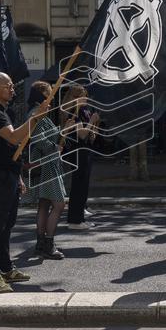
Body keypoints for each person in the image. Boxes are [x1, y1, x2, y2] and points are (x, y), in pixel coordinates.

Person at [0, 71, 33, 294]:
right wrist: (35, 119)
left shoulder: (3, 111)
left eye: (12, 86)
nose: (12, 89)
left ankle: (7, 268)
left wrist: (18, 176)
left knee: (8, 224)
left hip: (10, 174)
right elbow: (13, 137)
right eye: (8, 86)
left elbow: (10, 148)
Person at [28, 81, 68, 259]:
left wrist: (64, 130)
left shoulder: (41, 113)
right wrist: (55, 147)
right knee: (59, 204)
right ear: (42, 93)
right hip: (47, 165)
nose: (51, 95)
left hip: (46, 163)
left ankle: (40, 243)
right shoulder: (36, 113)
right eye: (49, 92)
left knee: (44, 204)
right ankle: (48, 244)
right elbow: (39, 139)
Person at [62, 85, 99, 230]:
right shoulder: (73, 112)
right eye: (82, 96)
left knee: (83, 185)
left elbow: (88, 134)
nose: (86, 98)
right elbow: (81, 134)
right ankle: (75, 220)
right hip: (77, 151)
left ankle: (80, 218)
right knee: (79, 185)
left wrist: (93, 126)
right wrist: (91, 122)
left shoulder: (83, 111)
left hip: (85, 150)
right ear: (75, 97)